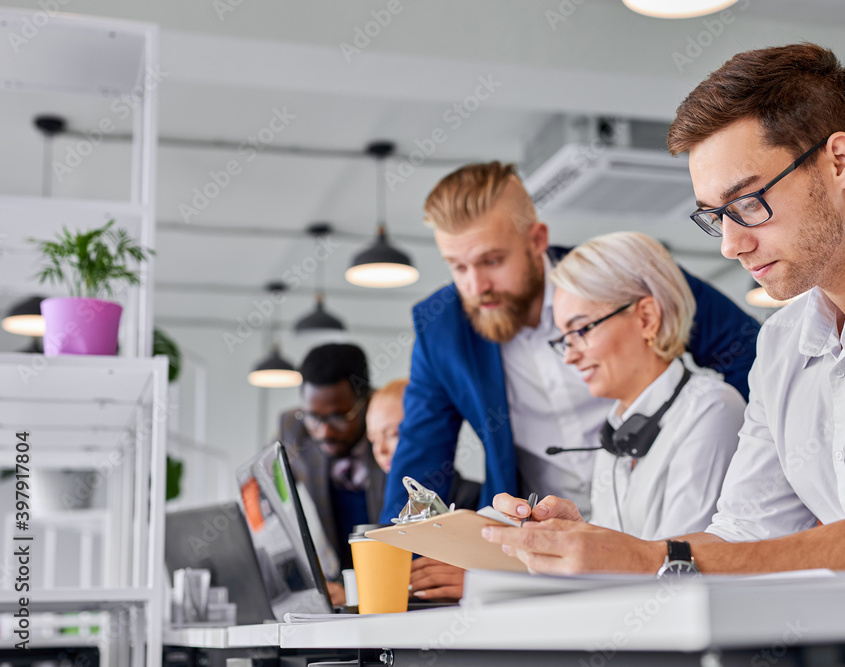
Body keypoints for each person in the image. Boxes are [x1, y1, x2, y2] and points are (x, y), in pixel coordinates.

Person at [483, 43, 845, 590]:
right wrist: (609, 552)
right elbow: (742, 534)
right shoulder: (782, 343)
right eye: (715, 217)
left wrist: (648, 559)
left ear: (840, 162)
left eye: (748, 202)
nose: (730, 245)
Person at [381, 163, 761, 524]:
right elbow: (421, 457)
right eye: (458, 267)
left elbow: (751, 354)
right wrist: (399, 566)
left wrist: (759, 458)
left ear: (536, 240)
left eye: (492, 261)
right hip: (546, 528)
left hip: (660, 505)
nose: (475, 286)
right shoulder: (443, 328)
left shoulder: (619, 278)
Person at [549, 231, 745, 539]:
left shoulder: (712, 408)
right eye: (564, 339)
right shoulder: (615, 436)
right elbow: (616, 561)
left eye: (582, 329)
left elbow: (682, 563)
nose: (569, 357)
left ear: (646, 318)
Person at [279, 343, 385, 602]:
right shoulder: (296, 428)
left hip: (391, 580)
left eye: (339, 416)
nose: (324, 432)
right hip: (341, 583)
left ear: (366, 401)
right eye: (315, 417)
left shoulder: (392, 426)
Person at [366, 378, 476, 600]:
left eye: (394, 435)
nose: (381, 450)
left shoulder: (473, 499)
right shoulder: (382, 499)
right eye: (373, 439)